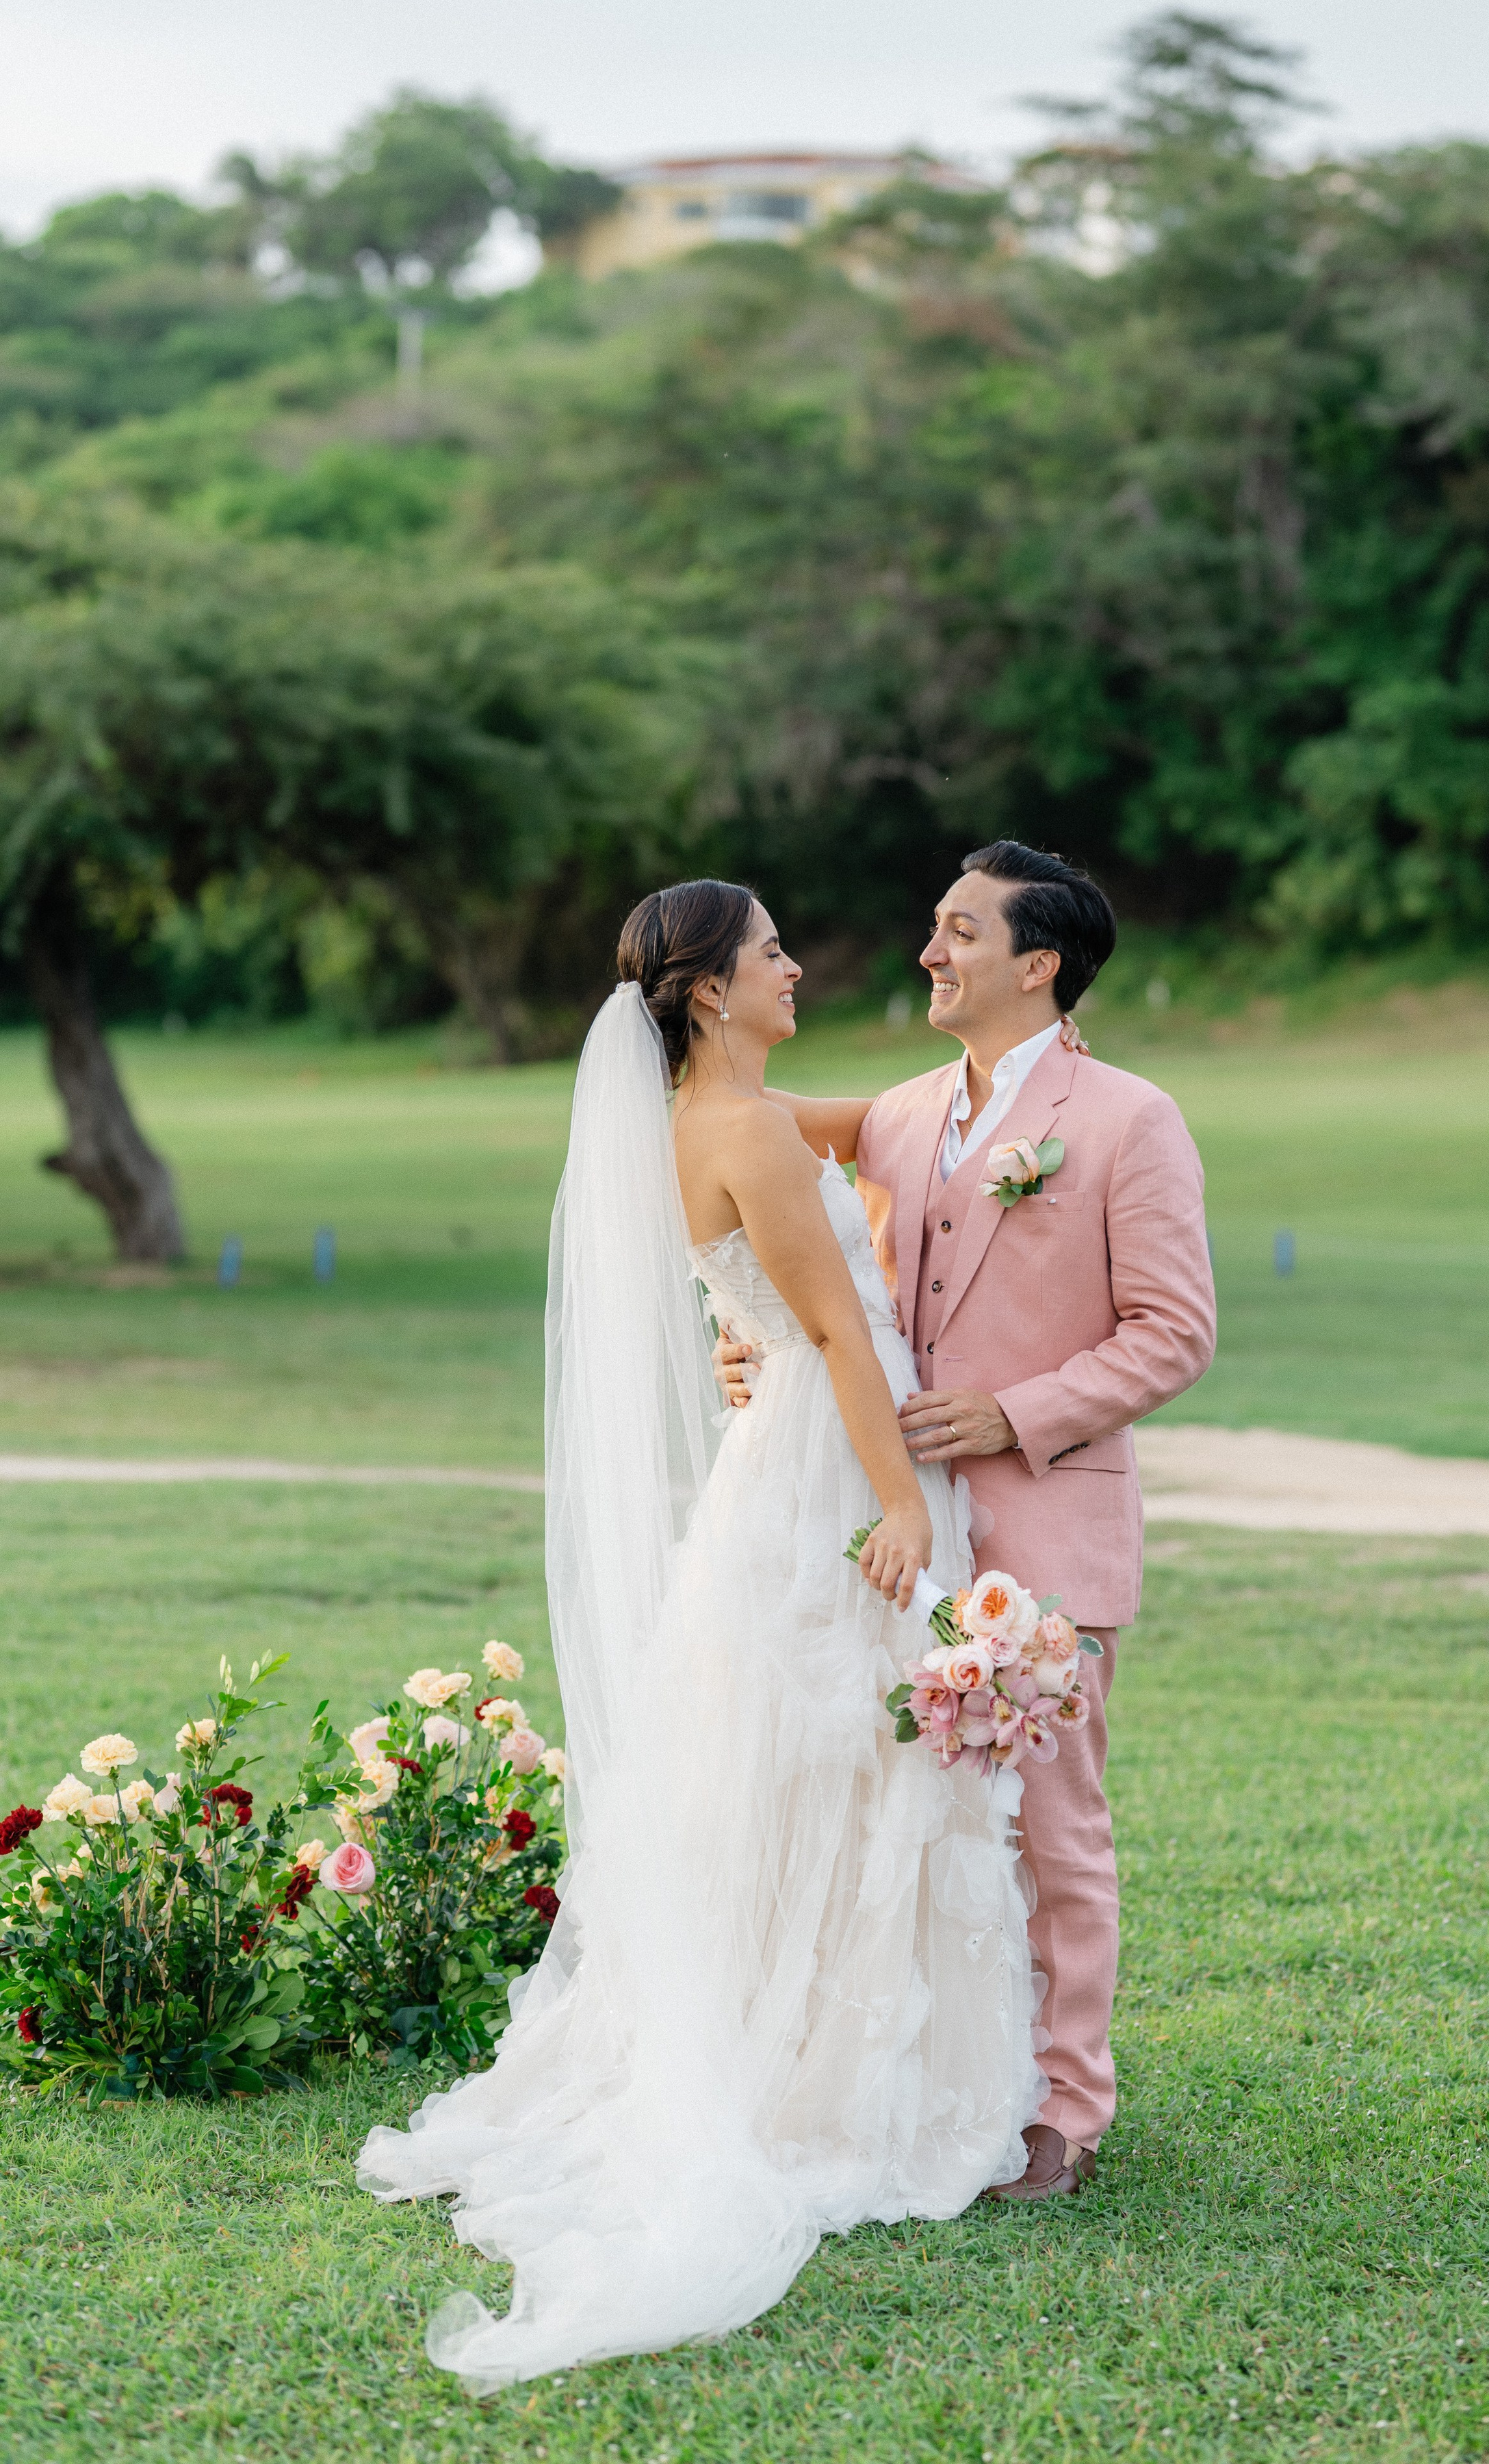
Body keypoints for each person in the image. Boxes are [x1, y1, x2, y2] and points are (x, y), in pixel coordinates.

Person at [357, 880, 1039, 2389]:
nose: (798, 964)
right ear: (714, 990)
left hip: (772, 1463)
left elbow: (887, 1120)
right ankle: (831, 2080)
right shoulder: (740, 1133)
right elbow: (843, 1333)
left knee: (780, 1764)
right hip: (824, 1476)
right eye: (774, 951)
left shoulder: (710, 1117)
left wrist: (1019, 1066)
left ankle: (791, 2031)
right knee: (848, 1756)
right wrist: (899, 1506)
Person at [725, 842, 1216, 2198]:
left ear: (1036, 964)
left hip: (1047, 1527)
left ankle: (1065, 2108)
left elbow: (1174, 1331)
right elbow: (749, 1138)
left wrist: (1013, 1413)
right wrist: (756, 1345)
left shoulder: (1127, 1119)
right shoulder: (896, 1111)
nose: (928, 951)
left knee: (1050, 1824)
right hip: (901, 1535)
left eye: (956, 931)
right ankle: (950, 2080)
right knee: (922, 1817)